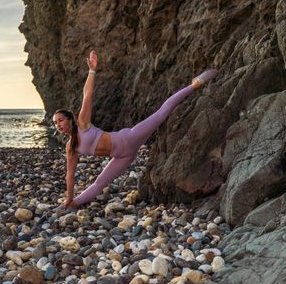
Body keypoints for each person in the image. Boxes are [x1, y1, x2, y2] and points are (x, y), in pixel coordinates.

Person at [53, 50, 217, 210]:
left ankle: (194, 85)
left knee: (161, 114)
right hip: (123, 157)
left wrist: (92, 70)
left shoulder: (82, 123)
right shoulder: (71, 147)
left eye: (60, 120)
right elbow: (70, 175)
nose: (58, 125)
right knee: (99, 183)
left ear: (70, 120)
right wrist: (69, 197)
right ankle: (73, 204)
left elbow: (87, 94)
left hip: (129, 138)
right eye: (55, 123)